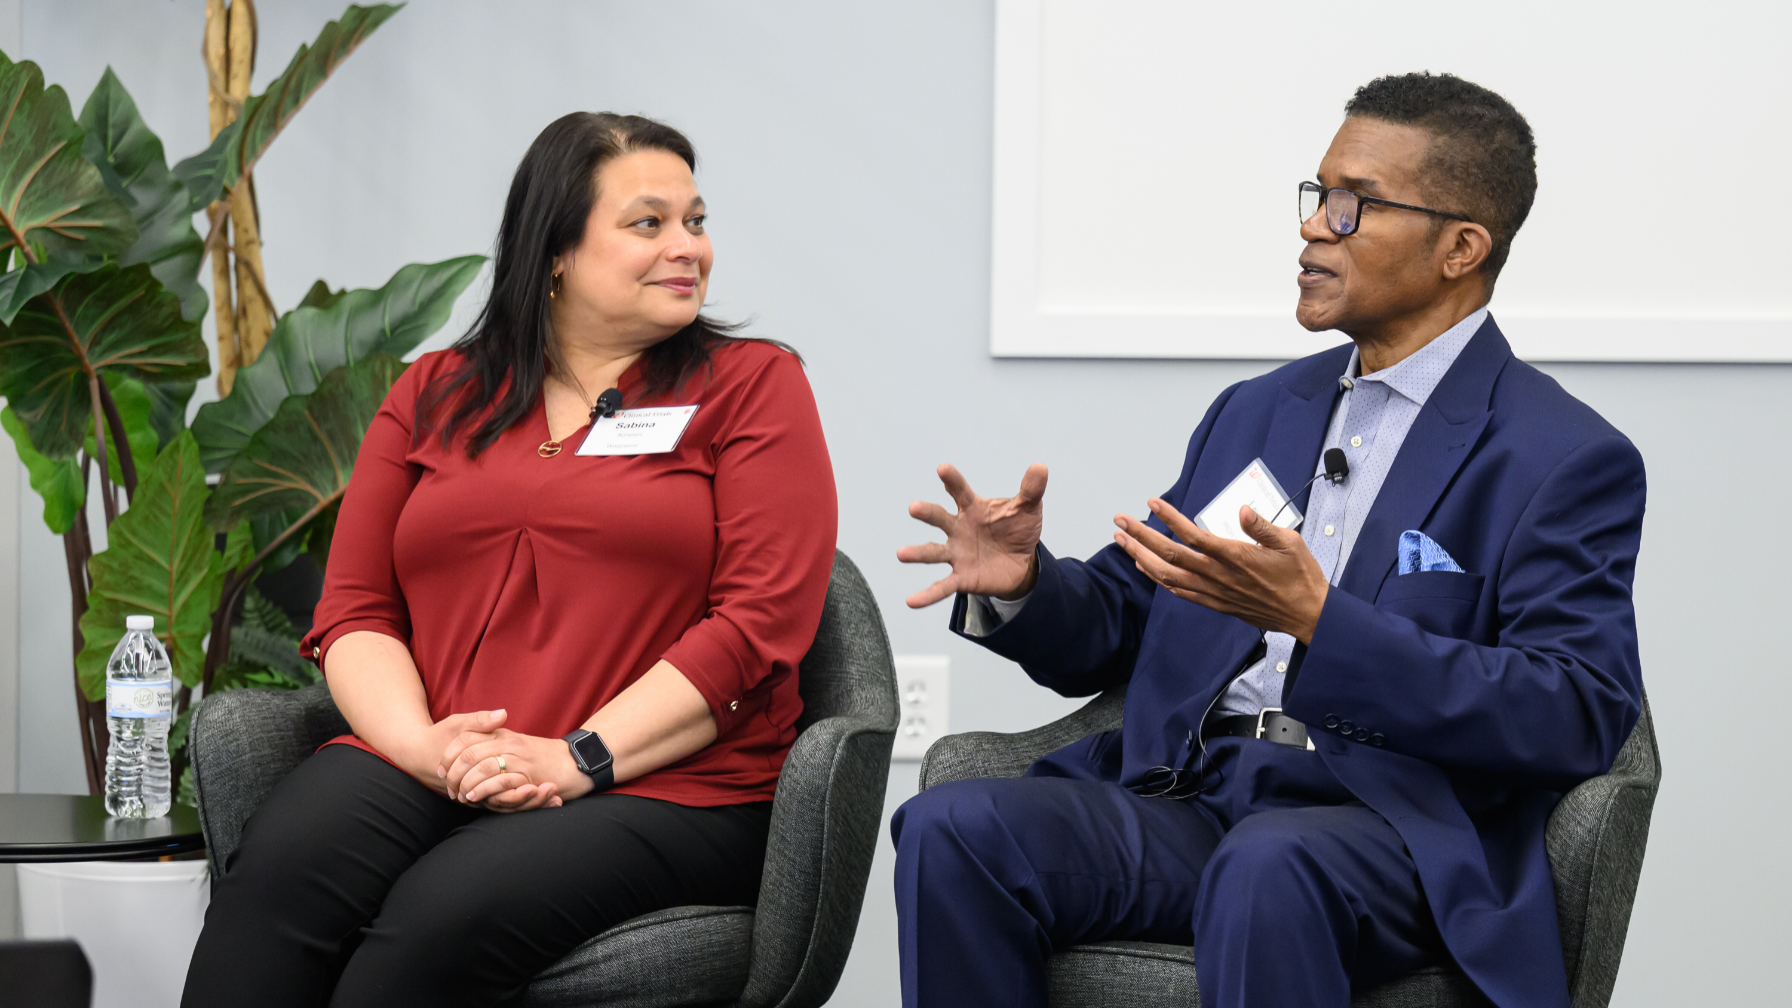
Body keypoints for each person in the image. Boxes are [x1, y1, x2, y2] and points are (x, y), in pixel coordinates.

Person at [894, 72, 1644, 1008]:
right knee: (954, 826)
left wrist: (1328, 625)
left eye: (1353, 205)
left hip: (1390, 827)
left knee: (1271, 863)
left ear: (1461, 247)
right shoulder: (1258, 413)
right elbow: (1130, 613)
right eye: (1318, 195)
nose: (1313, 227)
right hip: (1199, 795)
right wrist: (1023, 587)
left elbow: (1576, 708)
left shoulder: (1559, 455)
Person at [182, 113, 837, 1008]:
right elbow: (356, 611)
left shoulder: (754, 385)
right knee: (280, 878)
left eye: (695, 220)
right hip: (442, 753)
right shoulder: (435, 392)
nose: (690, 248)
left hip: (665, 785)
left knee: (442, 918)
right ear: (556, 251)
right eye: (649, 223)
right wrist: (421, 748)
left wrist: (575, 759)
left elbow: (760, 626)